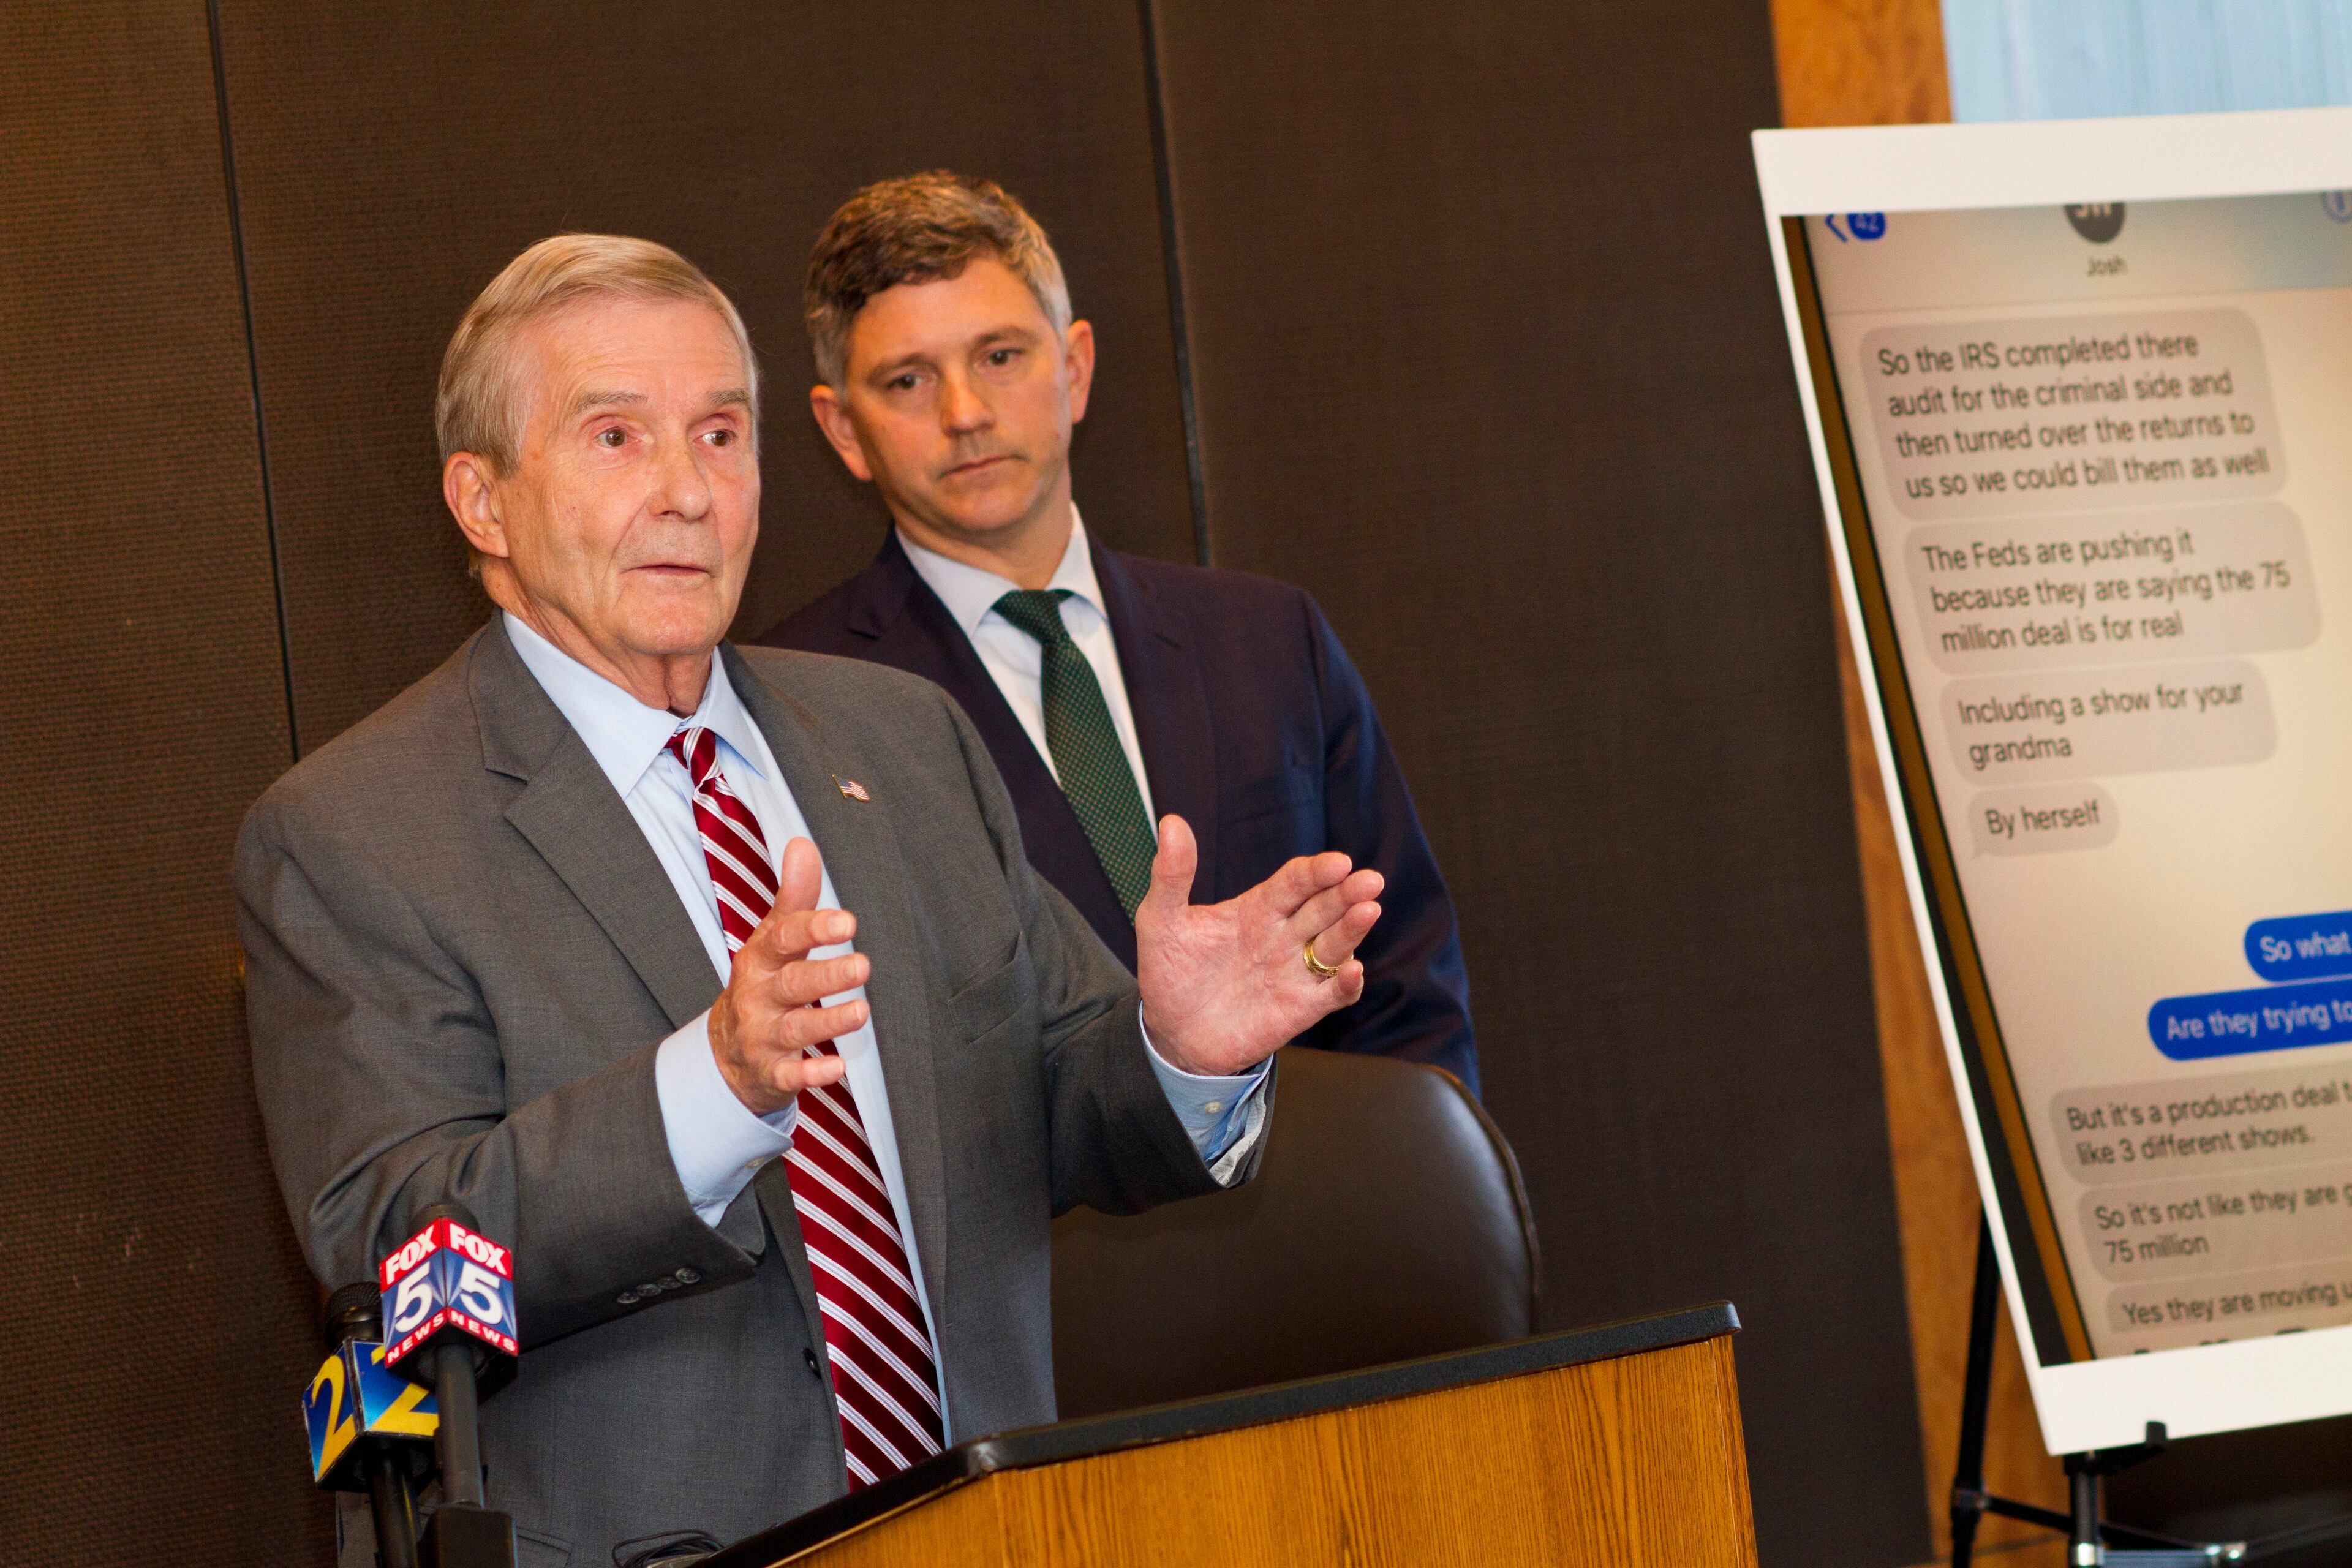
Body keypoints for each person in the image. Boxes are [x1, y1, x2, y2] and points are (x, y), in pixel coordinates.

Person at [236, 234, 1384, 1559]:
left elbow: (1061, 1097)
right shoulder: (352, 834)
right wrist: (712, 1088)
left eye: (721, 433)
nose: (687, 491)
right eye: (616, 438)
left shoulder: (903, 738)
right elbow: (401, 1261)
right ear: (483, 503)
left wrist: (1175, 1051)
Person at [761, 173, 1476, 1090]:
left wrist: (1412, 1208)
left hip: (1325, 1205)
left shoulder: (1269, 640)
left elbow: (1409, 979)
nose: (965, 413)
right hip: (1044, 1231)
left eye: (1001, 357)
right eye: (907, 380)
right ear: (843, 430)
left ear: (1076, 367)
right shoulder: (795, 704)